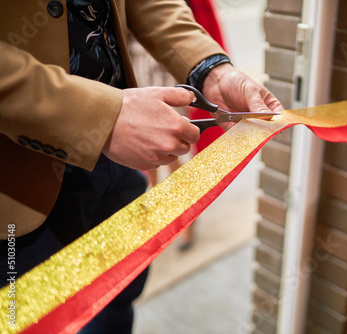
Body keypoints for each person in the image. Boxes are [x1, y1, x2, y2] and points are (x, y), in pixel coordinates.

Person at [0, 1, 283, 333]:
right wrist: (101, 117)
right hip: (18, 189)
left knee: (117, 300)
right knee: (28, 318)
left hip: (121, 164)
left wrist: (210, 69)